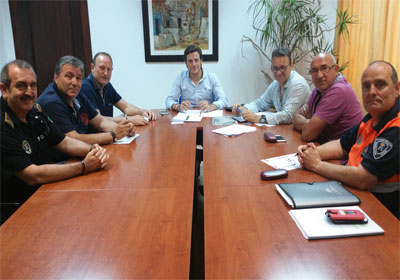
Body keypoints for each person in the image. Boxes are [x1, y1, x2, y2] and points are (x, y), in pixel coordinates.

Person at [0, 60, 109, 223]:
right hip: (20, 209)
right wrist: (84, 166)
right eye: (21, 86)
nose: (29, 92)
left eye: (33, 85)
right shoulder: (2, 125)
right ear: (4, 89)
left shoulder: (34, 112)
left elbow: (65, 142)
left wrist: (93, 150)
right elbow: (33, 175)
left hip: (48, 190)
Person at [297, 61, 399, 219]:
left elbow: (364, 178)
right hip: (353, 192)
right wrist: (312, 152)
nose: (372, 92)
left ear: (397, 89)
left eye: (380, 85)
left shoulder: (396, 127)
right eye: (366, 86)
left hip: (381, 209)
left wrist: (316, 164)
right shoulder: (374, 116)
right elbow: (342, 145)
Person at [37, 56, 135, 146]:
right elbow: (73, 139)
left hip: (80, 152)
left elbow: (100, 121)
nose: (74, 82)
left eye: (78, 78)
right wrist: (113, 135)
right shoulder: (51, 102)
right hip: (59, 161)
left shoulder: (77, 94)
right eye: (69, 76)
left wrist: (124, 129)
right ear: (56, 77)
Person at [293, 53, 363, 143]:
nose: (319, 76)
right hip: (323, 147)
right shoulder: (319, 90)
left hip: (344, 154)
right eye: (314, 70)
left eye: (324, 68)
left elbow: (307, 134)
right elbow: (295, 118)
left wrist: (310, 125)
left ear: (336, 69)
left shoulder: (339, 91)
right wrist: (310, 123)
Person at [232, 48, 310, 124]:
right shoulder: (276, 84)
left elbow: (289, 116)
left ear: (291, 66)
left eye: (282, 68)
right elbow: (259, 103)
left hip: (300, 133)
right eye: (275, 68)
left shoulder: (298, 84)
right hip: (285, 130)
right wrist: (244, 110)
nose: (278, 73)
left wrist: (258, 118)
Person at [80, 52, 156, 126]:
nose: (106, 73)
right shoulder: (85, 87)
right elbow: (99, 120)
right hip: (95, 136)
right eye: (102, 68)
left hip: (109, 132)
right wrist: (129, 119)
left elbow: (125, 107)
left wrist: (143, 112)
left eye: (109, 69)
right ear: (92, 68)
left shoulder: (107, 85)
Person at [166, 45, 228, 112]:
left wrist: (211, 107)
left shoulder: (212, 77)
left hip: (207, 115)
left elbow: (224, 100)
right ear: (186, 63)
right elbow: (169, 100)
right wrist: (178, 107)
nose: (194, 64)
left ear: (201, 61)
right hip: (186, 117)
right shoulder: (180, 77)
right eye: (190, 61)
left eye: (196, 60)